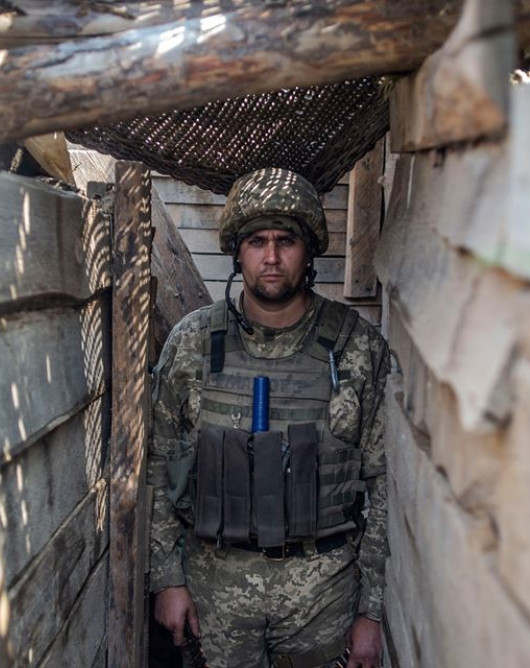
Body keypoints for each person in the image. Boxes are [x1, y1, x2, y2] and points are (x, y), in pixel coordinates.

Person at [148, 167, 390, 668]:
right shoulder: (193, 343)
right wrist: (167, 579)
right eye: (257, 241)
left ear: (309, 251)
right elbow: (157, 465)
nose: (272, 257)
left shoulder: (358, 348)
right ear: (238, 252)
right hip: (215, 591)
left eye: (287, 241)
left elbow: (385, 484)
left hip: (323, 596)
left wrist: (372, 612)